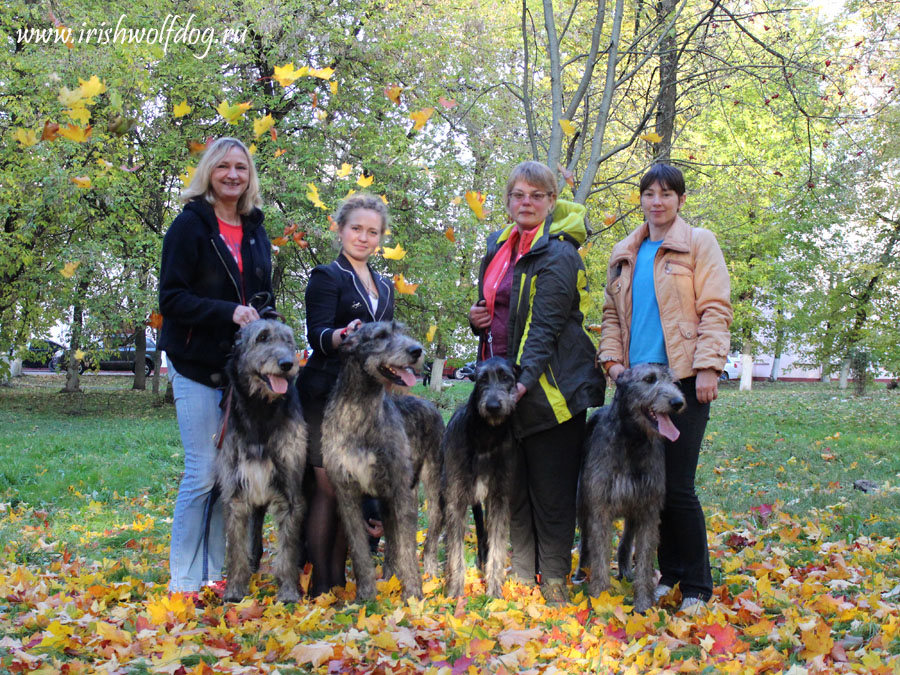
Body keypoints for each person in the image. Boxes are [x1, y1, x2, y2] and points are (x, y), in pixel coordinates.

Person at [468, 160, 605, 605]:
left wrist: (521, 384)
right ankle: (525, 577)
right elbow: (494, 309)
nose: (526, 203)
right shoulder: (498, 246)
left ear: (551, 202)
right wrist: (476, 320)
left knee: (551, 490)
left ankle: (557, 582)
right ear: (508, 202)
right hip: (505, 388)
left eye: (537, 196)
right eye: (518, 195)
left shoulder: (560, 254)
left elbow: (544, 327)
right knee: (515, 486)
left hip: (551, 389)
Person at [598, 163, 732, 613]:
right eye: (649, 193)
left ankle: (696, 585)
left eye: (667, 194)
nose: (657, 201)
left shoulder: (699, 243)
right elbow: (612, 317)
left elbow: (715, 307)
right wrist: (612, 364)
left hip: (683, 381)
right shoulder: (625, 250)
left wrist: (710, 366)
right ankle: (668, 573)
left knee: (676, 486)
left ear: (680, 199)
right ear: (641, 199)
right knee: (653, 488)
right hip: (637, 388)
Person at [159, 137, 273, 594]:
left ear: (249, 177)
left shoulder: (255, 228)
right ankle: (183, 580)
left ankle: (212, 574)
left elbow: (261, 296)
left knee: (230, 474)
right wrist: (226, 312)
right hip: (196, 364)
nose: (231, 175)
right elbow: (171, 298)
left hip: (243, 371)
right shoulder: (189, 226)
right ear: (209, 172)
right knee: (204, 470)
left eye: (240, 168)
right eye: (223, 166)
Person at [298, 193, 394, 597]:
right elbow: (316, 334)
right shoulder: (327, 276)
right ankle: (323, 584)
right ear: (340, 229)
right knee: (328, 488)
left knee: (349, 490)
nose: (364, 237)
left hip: (365, 404)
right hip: (324, 395)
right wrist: (338, 337)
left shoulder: (386, 287)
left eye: (372, 232)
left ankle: (339, 583)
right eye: (356, 228)